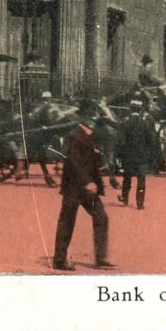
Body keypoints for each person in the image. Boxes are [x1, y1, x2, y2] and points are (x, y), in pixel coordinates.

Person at [53, 98, 115, 272]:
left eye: (95, 115)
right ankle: (59, 260)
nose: (93, 119)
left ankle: (101, 257)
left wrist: (101, 169)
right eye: (91, 115)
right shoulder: (76, 135)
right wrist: (87, 181)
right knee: (67, 221)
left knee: (101, 217)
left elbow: (93, 159)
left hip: (86, 188)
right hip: (74, 187)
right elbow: (73, 161)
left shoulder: (90, 135)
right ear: (84, 117)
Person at [117, 95, 159, 210]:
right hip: (141, 156)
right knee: (141, 180)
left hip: (128, 156)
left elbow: (121, 141)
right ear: (140, 110)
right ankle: (140, 204)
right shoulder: (144, 123)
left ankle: (125, 199)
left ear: (130, 109)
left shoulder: (125, 123)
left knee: (127, 178)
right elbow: (151, 140)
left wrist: (119, 155)